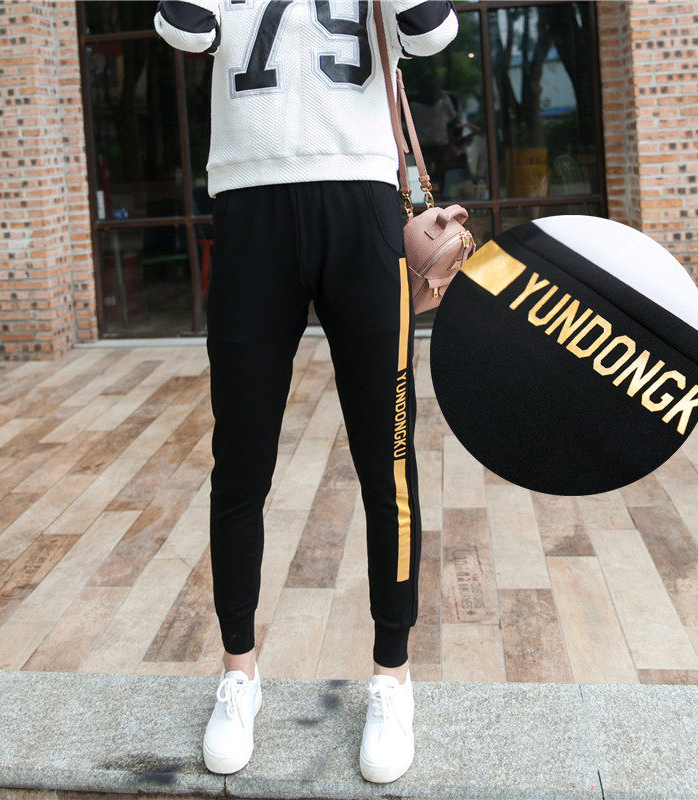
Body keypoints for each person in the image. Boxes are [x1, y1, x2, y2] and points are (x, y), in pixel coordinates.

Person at [153, 0, 458, 785]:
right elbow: (182, 26)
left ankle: (392, 676)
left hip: (360, 205)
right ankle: (239, 672)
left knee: (387, 458)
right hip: (250, 206)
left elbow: (434, 32)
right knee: (241, 461)